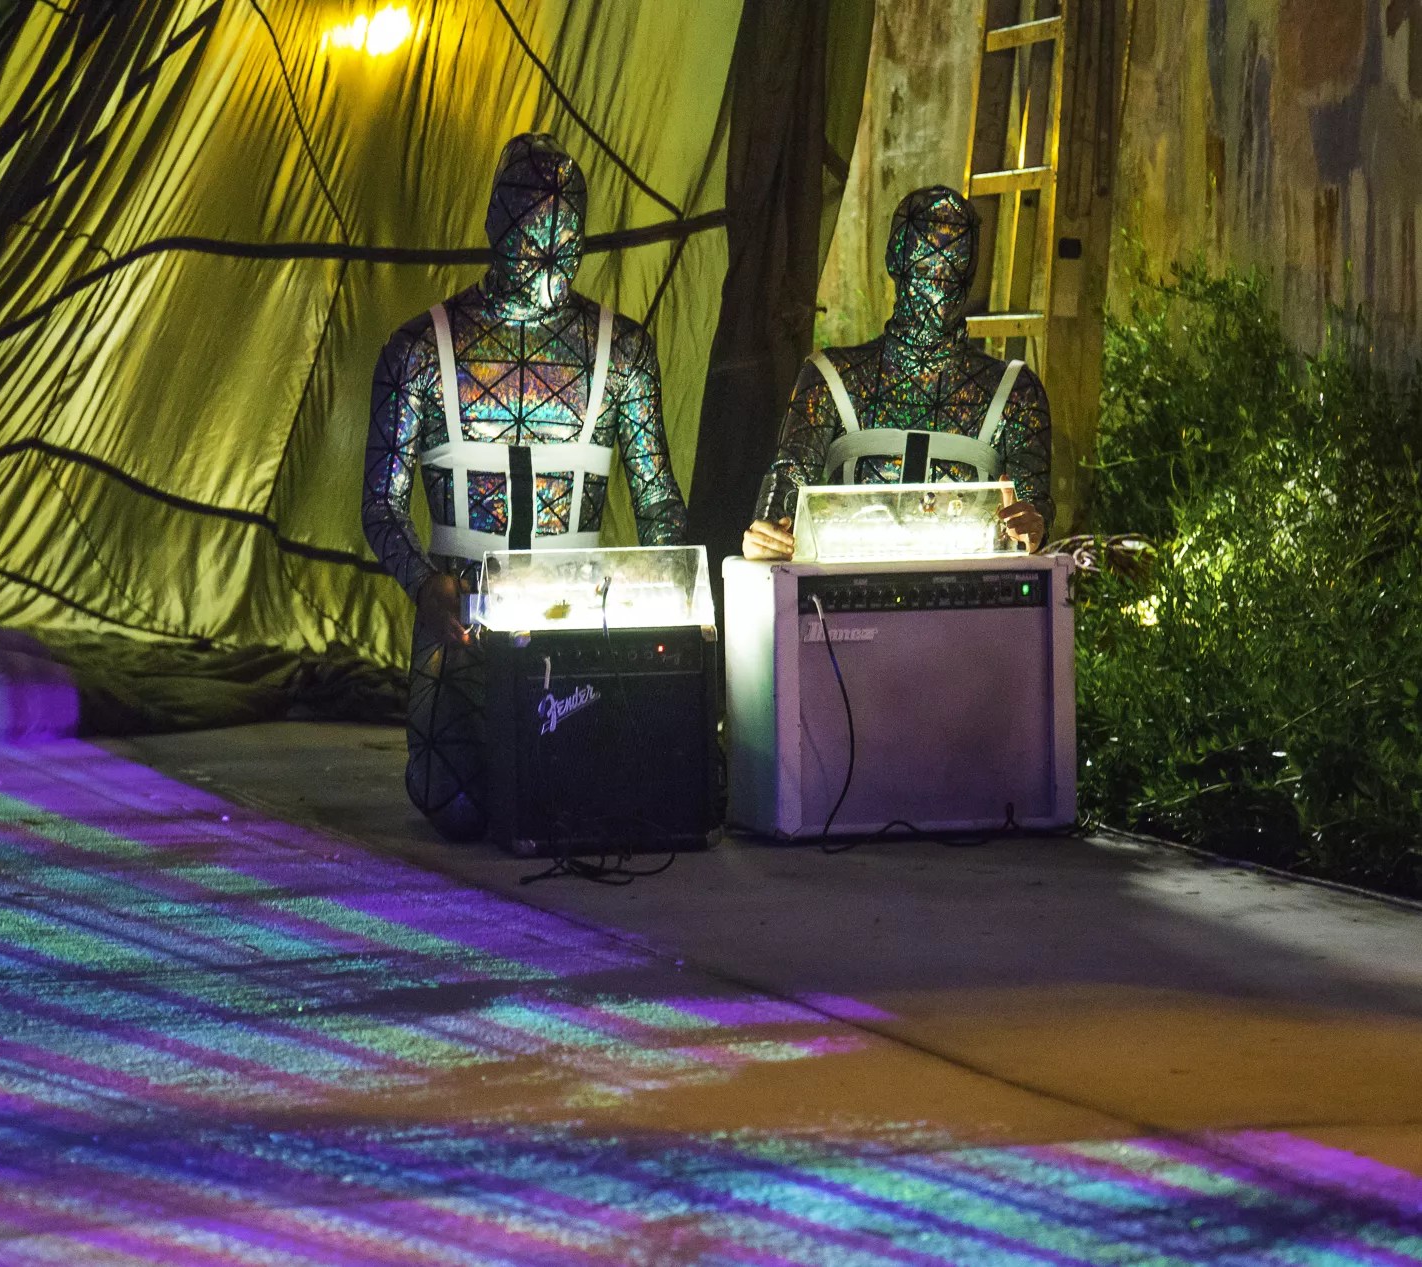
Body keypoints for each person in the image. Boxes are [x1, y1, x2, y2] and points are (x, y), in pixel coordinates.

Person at [362, 133, 687, 841]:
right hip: (464, 631)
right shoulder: (419, 351)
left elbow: (658, 499)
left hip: (584, 628)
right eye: (530, 232)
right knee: (460, 807)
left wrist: (671, 610)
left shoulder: (624, 354)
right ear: (493, 224)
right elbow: (380, 504)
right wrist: (424, 583)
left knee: (594, 801)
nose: (545, 256)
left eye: (564, 239)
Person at [743, 186, 1052, 561]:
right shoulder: (831, 378)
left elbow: (1032, 509)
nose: (937, 286)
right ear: (895, 261)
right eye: (924, 268)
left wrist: (1031, 529)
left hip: (967, 591)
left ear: (972, 273)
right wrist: (767, 532)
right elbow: (789, 477)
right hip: (849, 589)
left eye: (953, 269)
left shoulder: (1015, 391)